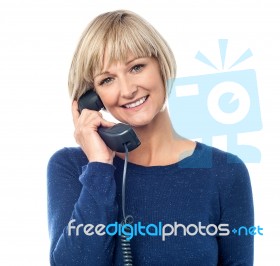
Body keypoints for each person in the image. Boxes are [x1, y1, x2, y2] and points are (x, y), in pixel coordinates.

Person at [47, 9, 254, 266]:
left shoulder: (225, 172)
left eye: (136, 67)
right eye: (108, 79)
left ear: (160, 66)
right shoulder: (71, 166)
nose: (128, 89)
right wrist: (99, 165)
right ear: (93, 98)